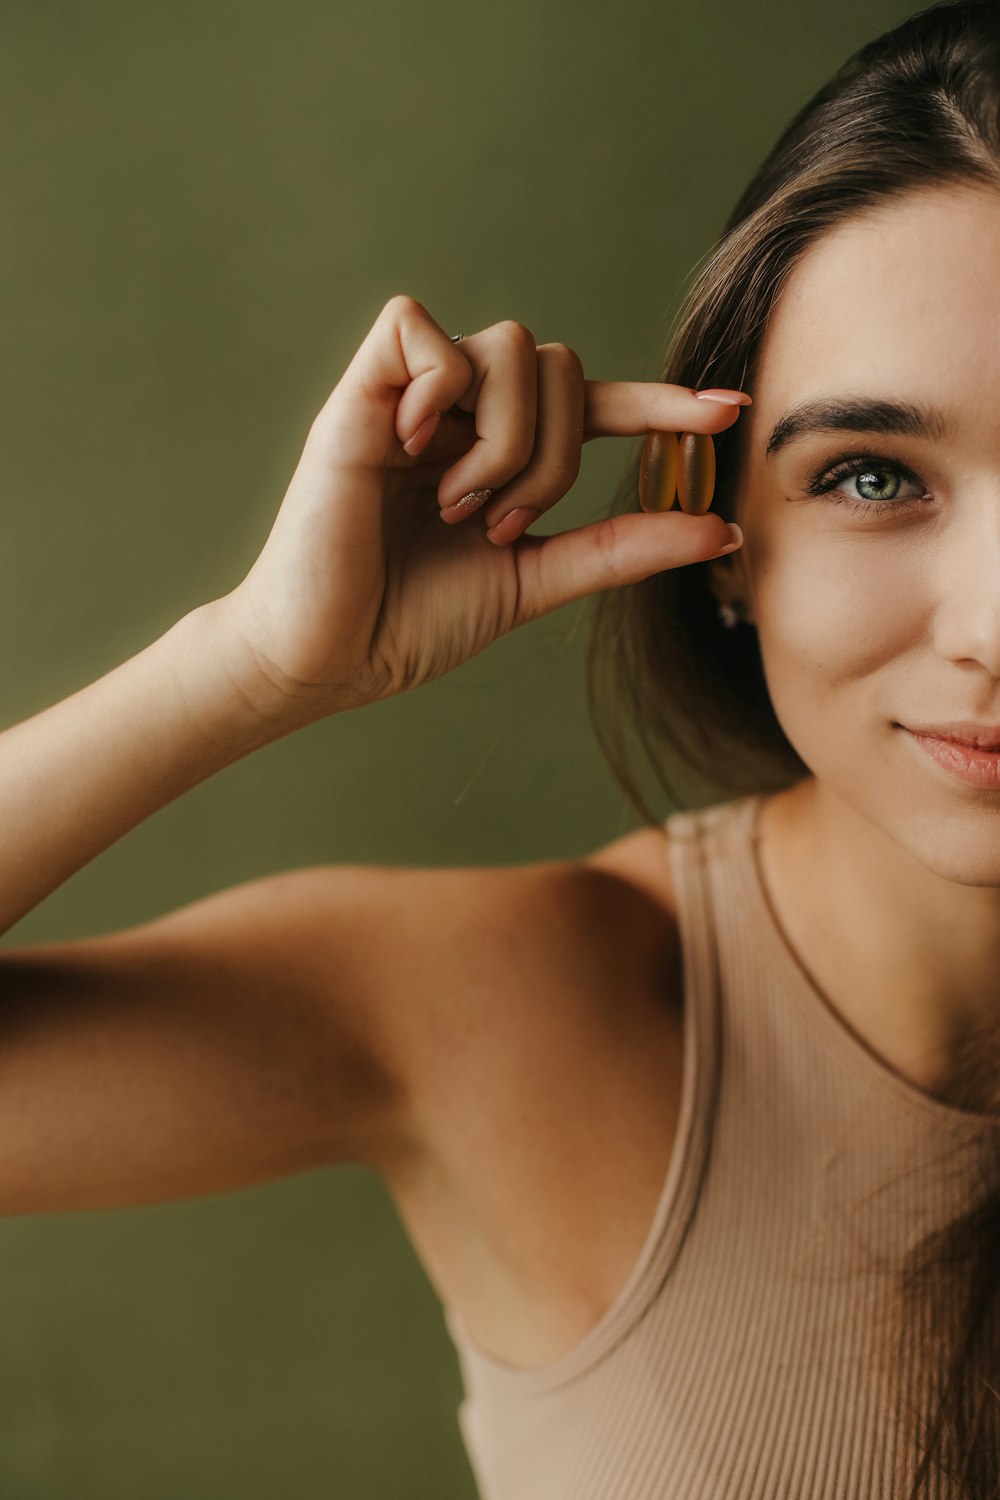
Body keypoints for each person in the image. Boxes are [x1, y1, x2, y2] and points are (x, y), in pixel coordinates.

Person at [1, 0, 999, 1494]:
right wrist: (251, 663)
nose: (995, 623)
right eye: (871, 475)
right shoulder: (532, 1012)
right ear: (716, 526)